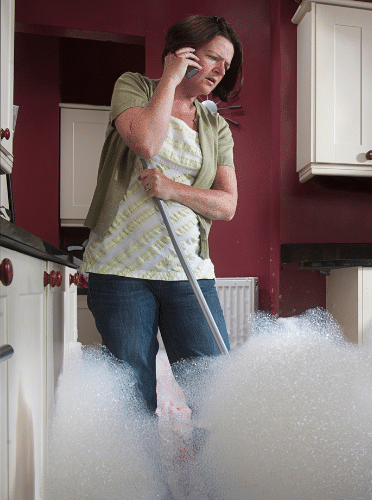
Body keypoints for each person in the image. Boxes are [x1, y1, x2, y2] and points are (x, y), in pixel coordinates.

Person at [81, 14, 243, 414]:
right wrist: (170, 79)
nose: (222, 70)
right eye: (213, 57)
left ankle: (218, 478)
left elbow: (227, 204)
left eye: (227, 63)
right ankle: (142, 478)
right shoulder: (134, 86)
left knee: (214, 391)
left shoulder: (214, 124)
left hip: (187, 269)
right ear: (183, 53)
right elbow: (147, 143)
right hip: (120, 269)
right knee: (133, 394)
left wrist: (172, 189)